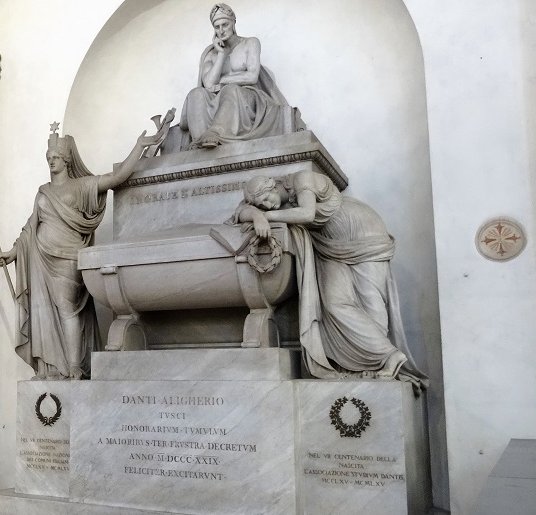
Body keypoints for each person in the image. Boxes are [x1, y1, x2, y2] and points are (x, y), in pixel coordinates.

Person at [0, 119, 169, 380]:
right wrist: (12, 252)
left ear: (66, 160)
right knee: (44, 312)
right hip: (40, 258)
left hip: (67, 259)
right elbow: (31, 227)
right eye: (49, 157)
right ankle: (54, 367)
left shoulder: (82, 186)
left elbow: (116, 178)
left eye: (56, 156)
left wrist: (139, 147)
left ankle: (74, 365)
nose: (51, 161)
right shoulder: (42, 191)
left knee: (67, 309)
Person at [234, 170, 427, 391]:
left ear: (273, 186)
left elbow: (307, 214)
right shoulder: (275, 207)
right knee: (335, 303)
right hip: (329, 246)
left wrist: (266, 217)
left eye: (267, 199)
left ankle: (381, 362)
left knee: (371, 303)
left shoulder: (302, 179)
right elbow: (239, 211)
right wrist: (256, 215)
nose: (268, 206)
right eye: (262, 205)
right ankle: (385, 356)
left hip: (363, 234)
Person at [180, 3, 288, 148]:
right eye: (217, 27)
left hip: (247, 98)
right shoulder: (211, 54)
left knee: (230, 89)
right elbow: (209, 84)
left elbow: (252, 77)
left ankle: (216, 132)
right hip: (219, 98)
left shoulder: (250, 43)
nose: (221, 30)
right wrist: (221, 54)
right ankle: (200, 141)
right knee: (195, 94)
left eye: (225, 24)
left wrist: (223, 81)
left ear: (233, 23)